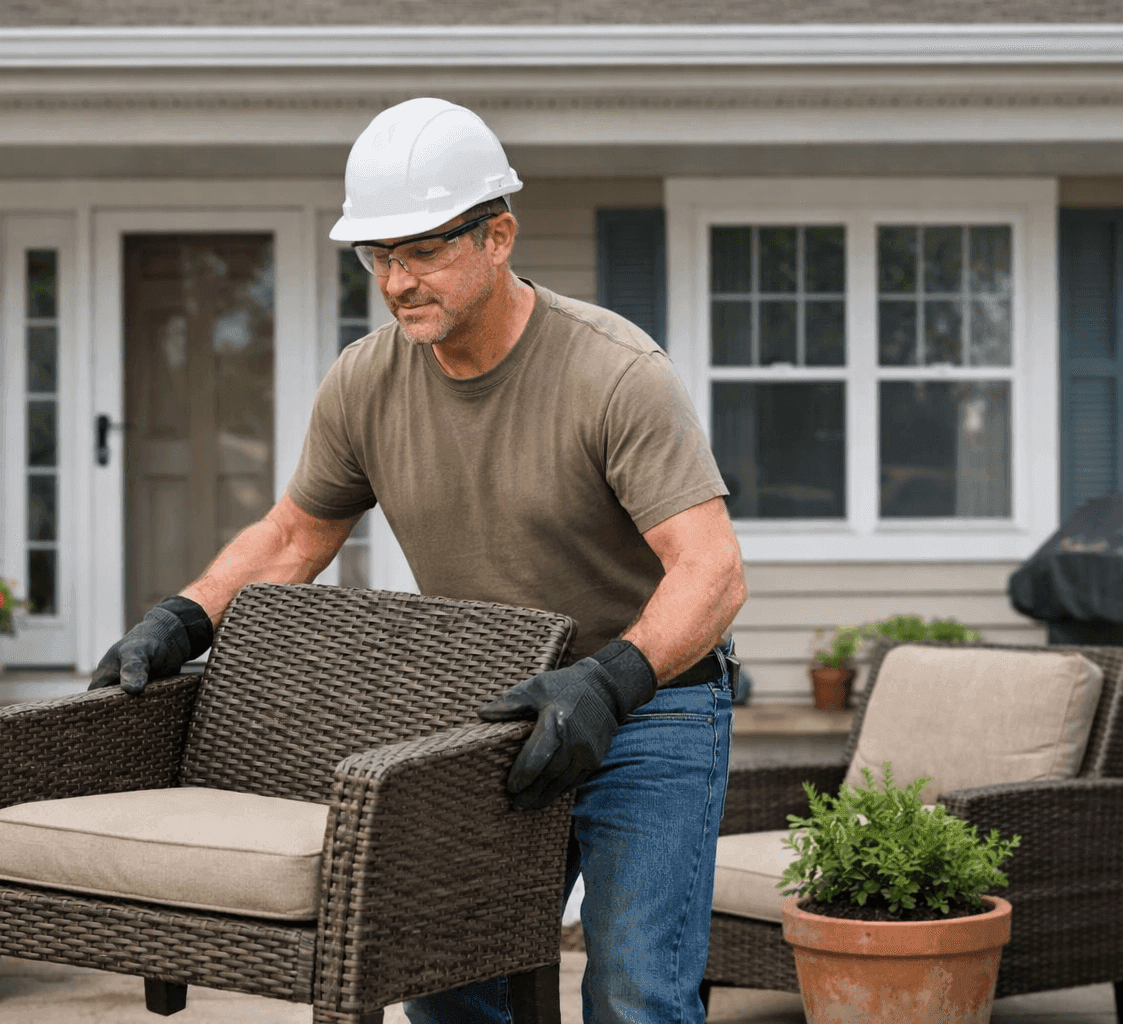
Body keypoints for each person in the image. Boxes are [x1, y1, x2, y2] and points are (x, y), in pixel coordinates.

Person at [91, 97, 748, 1024]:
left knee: (635, 990)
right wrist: (183, 617)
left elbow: (713, 572)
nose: (398, 281)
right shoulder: (365, 381)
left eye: (424, 249)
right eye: (379, 256)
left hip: (650, 704)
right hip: (490, 709)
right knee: (442, 980)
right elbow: (293, 535)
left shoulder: (615, 373)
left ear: (499, 236)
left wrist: (608, 684)